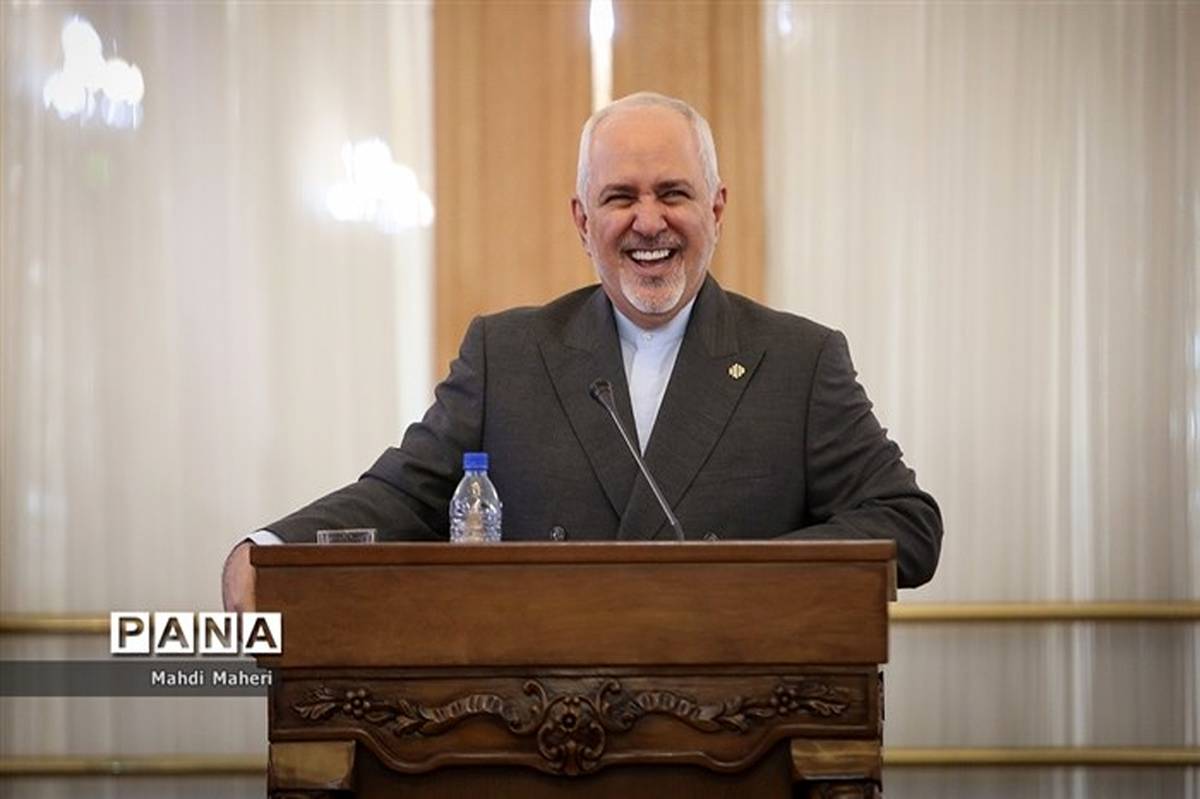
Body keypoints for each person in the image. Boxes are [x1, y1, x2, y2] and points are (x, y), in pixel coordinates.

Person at [222, 92, 942, 611]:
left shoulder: (799, 360)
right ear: (582, 220)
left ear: (716, 209)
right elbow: (404, 495)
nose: (649, 222)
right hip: (539, 729)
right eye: (620, 197)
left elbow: (907, 523)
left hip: (734, 728)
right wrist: (272, 550)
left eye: (674, 193)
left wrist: (738, 576)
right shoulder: (506, 354)